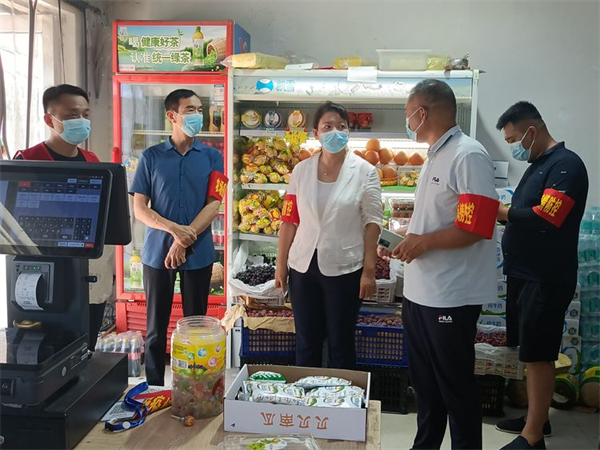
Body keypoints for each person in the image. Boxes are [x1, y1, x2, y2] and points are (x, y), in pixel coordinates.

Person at [381, 80, 499, 450]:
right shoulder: (436, 155)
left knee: (455, 387)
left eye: (407, 114)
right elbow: (440, 219)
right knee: (426, 386)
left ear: (423, 112)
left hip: (451, 294)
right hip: (421, 292)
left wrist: (424, 242)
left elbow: (477, 226)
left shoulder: (467, 155)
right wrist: (405, 239)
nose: (407, 121)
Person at [494, 102, 588, 450]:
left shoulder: (566, 165)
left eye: (513, 139)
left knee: (539, 355)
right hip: (525, 273)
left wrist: (503, 212)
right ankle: (537, 419)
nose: (513, 147)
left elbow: (549, 215)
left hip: (545, 276)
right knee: (530, 351)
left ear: (531, 131)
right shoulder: (538, 166)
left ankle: (532, 437)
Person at [129, 89, 227, 386]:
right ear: (172, 116)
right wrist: (174, 231)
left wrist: (185, 240)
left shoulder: (213, 157)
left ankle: (195, 388)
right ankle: (154, 387)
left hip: (199, 252)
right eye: (190, 110)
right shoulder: (151, 157)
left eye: (199, 109)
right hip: (157, 253)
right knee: (155, 327)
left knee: (196, 326)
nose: (198, 115)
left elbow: (214, 204)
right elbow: (140, 209)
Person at [274, 101, 382, 369]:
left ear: (349, 131)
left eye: (341, 126)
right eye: (328, 126)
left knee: (340, 342)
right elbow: (289, 220)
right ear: (316, 133)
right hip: (303, 267)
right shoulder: (301, 170)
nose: (335, 132)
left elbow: (372, 223)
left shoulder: (365, 171)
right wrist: (281, 264)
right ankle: (305, 392)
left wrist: (369, 270)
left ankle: (340, 393)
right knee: (306, 340)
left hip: (345, 269)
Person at [13, 84, 114, 350]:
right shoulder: (27, 160)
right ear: (50, 120)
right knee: (48, 345)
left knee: (86, 343)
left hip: (87, 270)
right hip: (44, 271)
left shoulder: (93, 161)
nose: (81, 121)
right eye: (72, 115)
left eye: (85, 114)